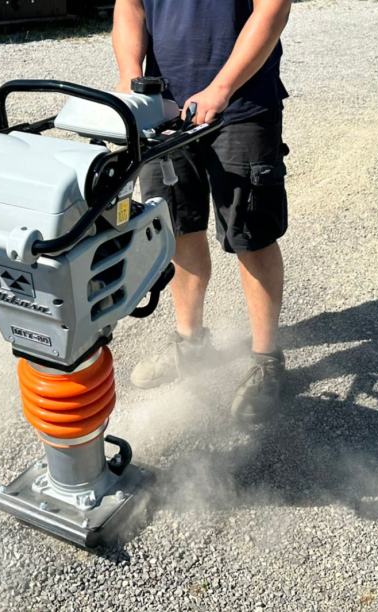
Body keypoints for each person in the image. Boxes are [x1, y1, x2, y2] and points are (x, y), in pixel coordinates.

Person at [112, 0, 293, 424]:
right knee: (177, 226)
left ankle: (266, 360)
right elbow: (130, 8)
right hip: (162, 109)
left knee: (251, 235)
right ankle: (191, 344)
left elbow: (272, 10)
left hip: (242, 106)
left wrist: (222, 87)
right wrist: (130, 76)